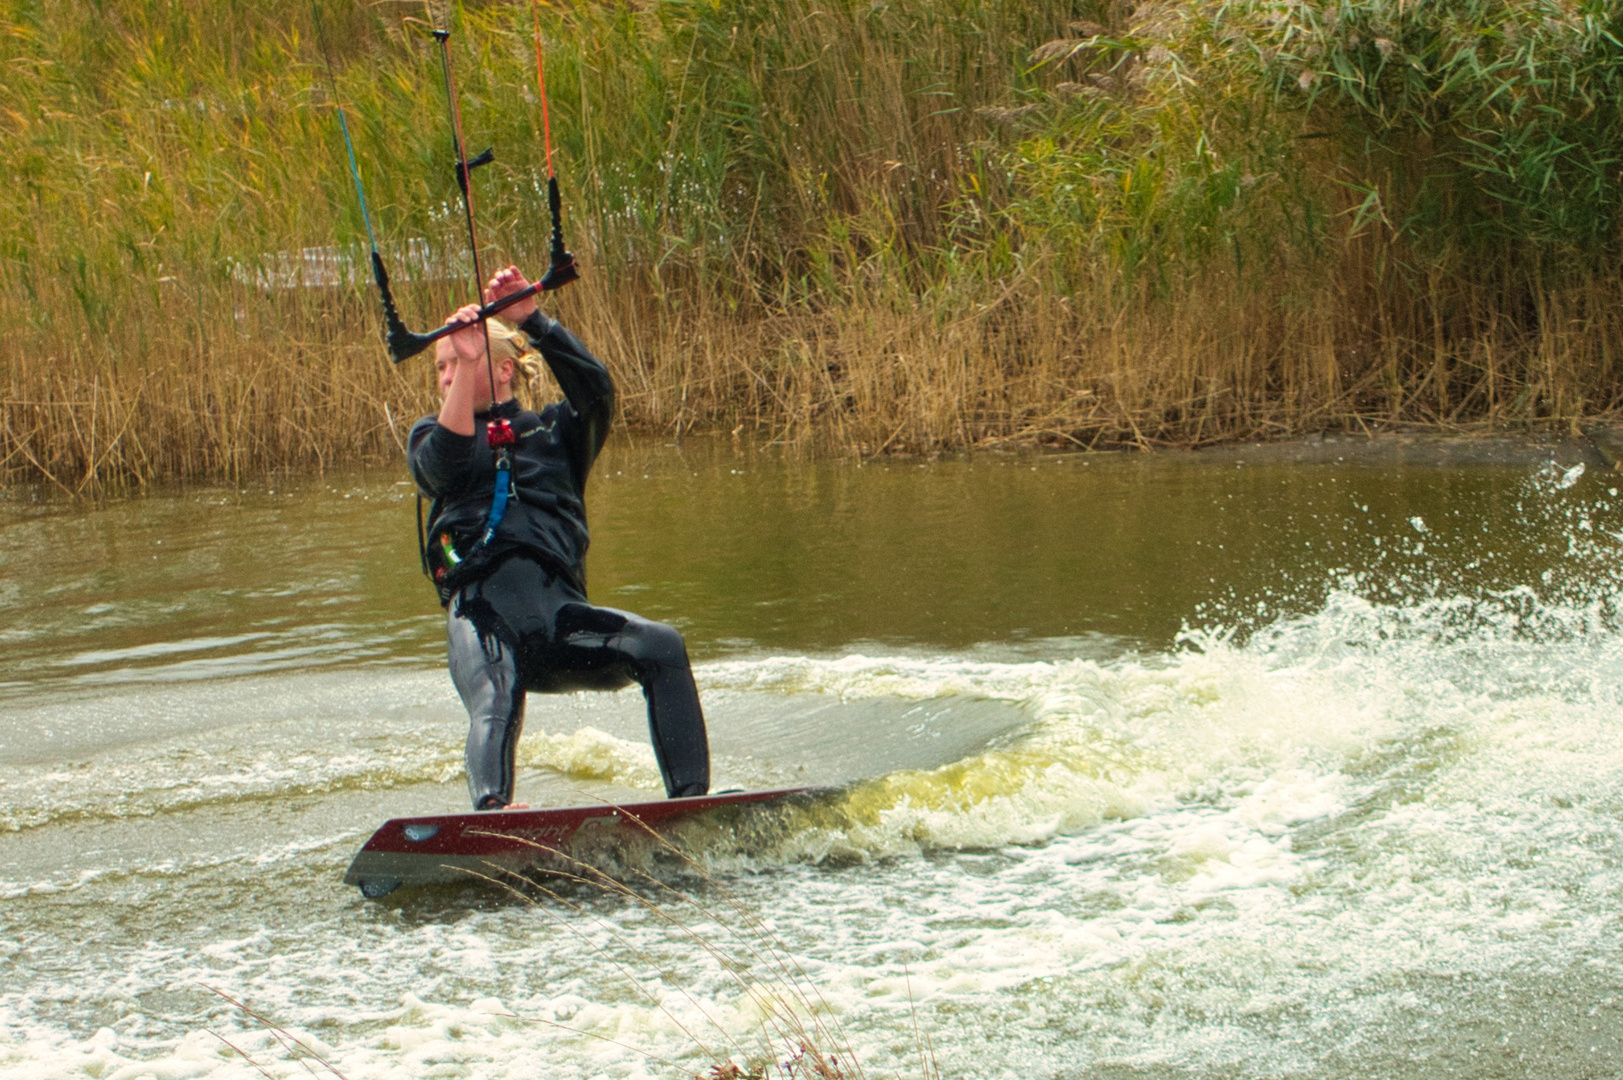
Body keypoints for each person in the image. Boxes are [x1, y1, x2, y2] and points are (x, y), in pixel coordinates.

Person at [408, 265, 710, 810]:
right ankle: (494, 809)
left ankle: (690, 803)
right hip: (481, 616)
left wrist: (534, 321)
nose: (448, 375)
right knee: (496, 690)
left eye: (460, 362)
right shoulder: (432, 435)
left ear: (505, 370)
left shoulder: (556, 434)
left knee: (661, 645)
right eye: (442, 367)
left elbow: (597, 393)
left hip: (557, 621)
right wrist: (467, 354)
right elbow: (440, 472)